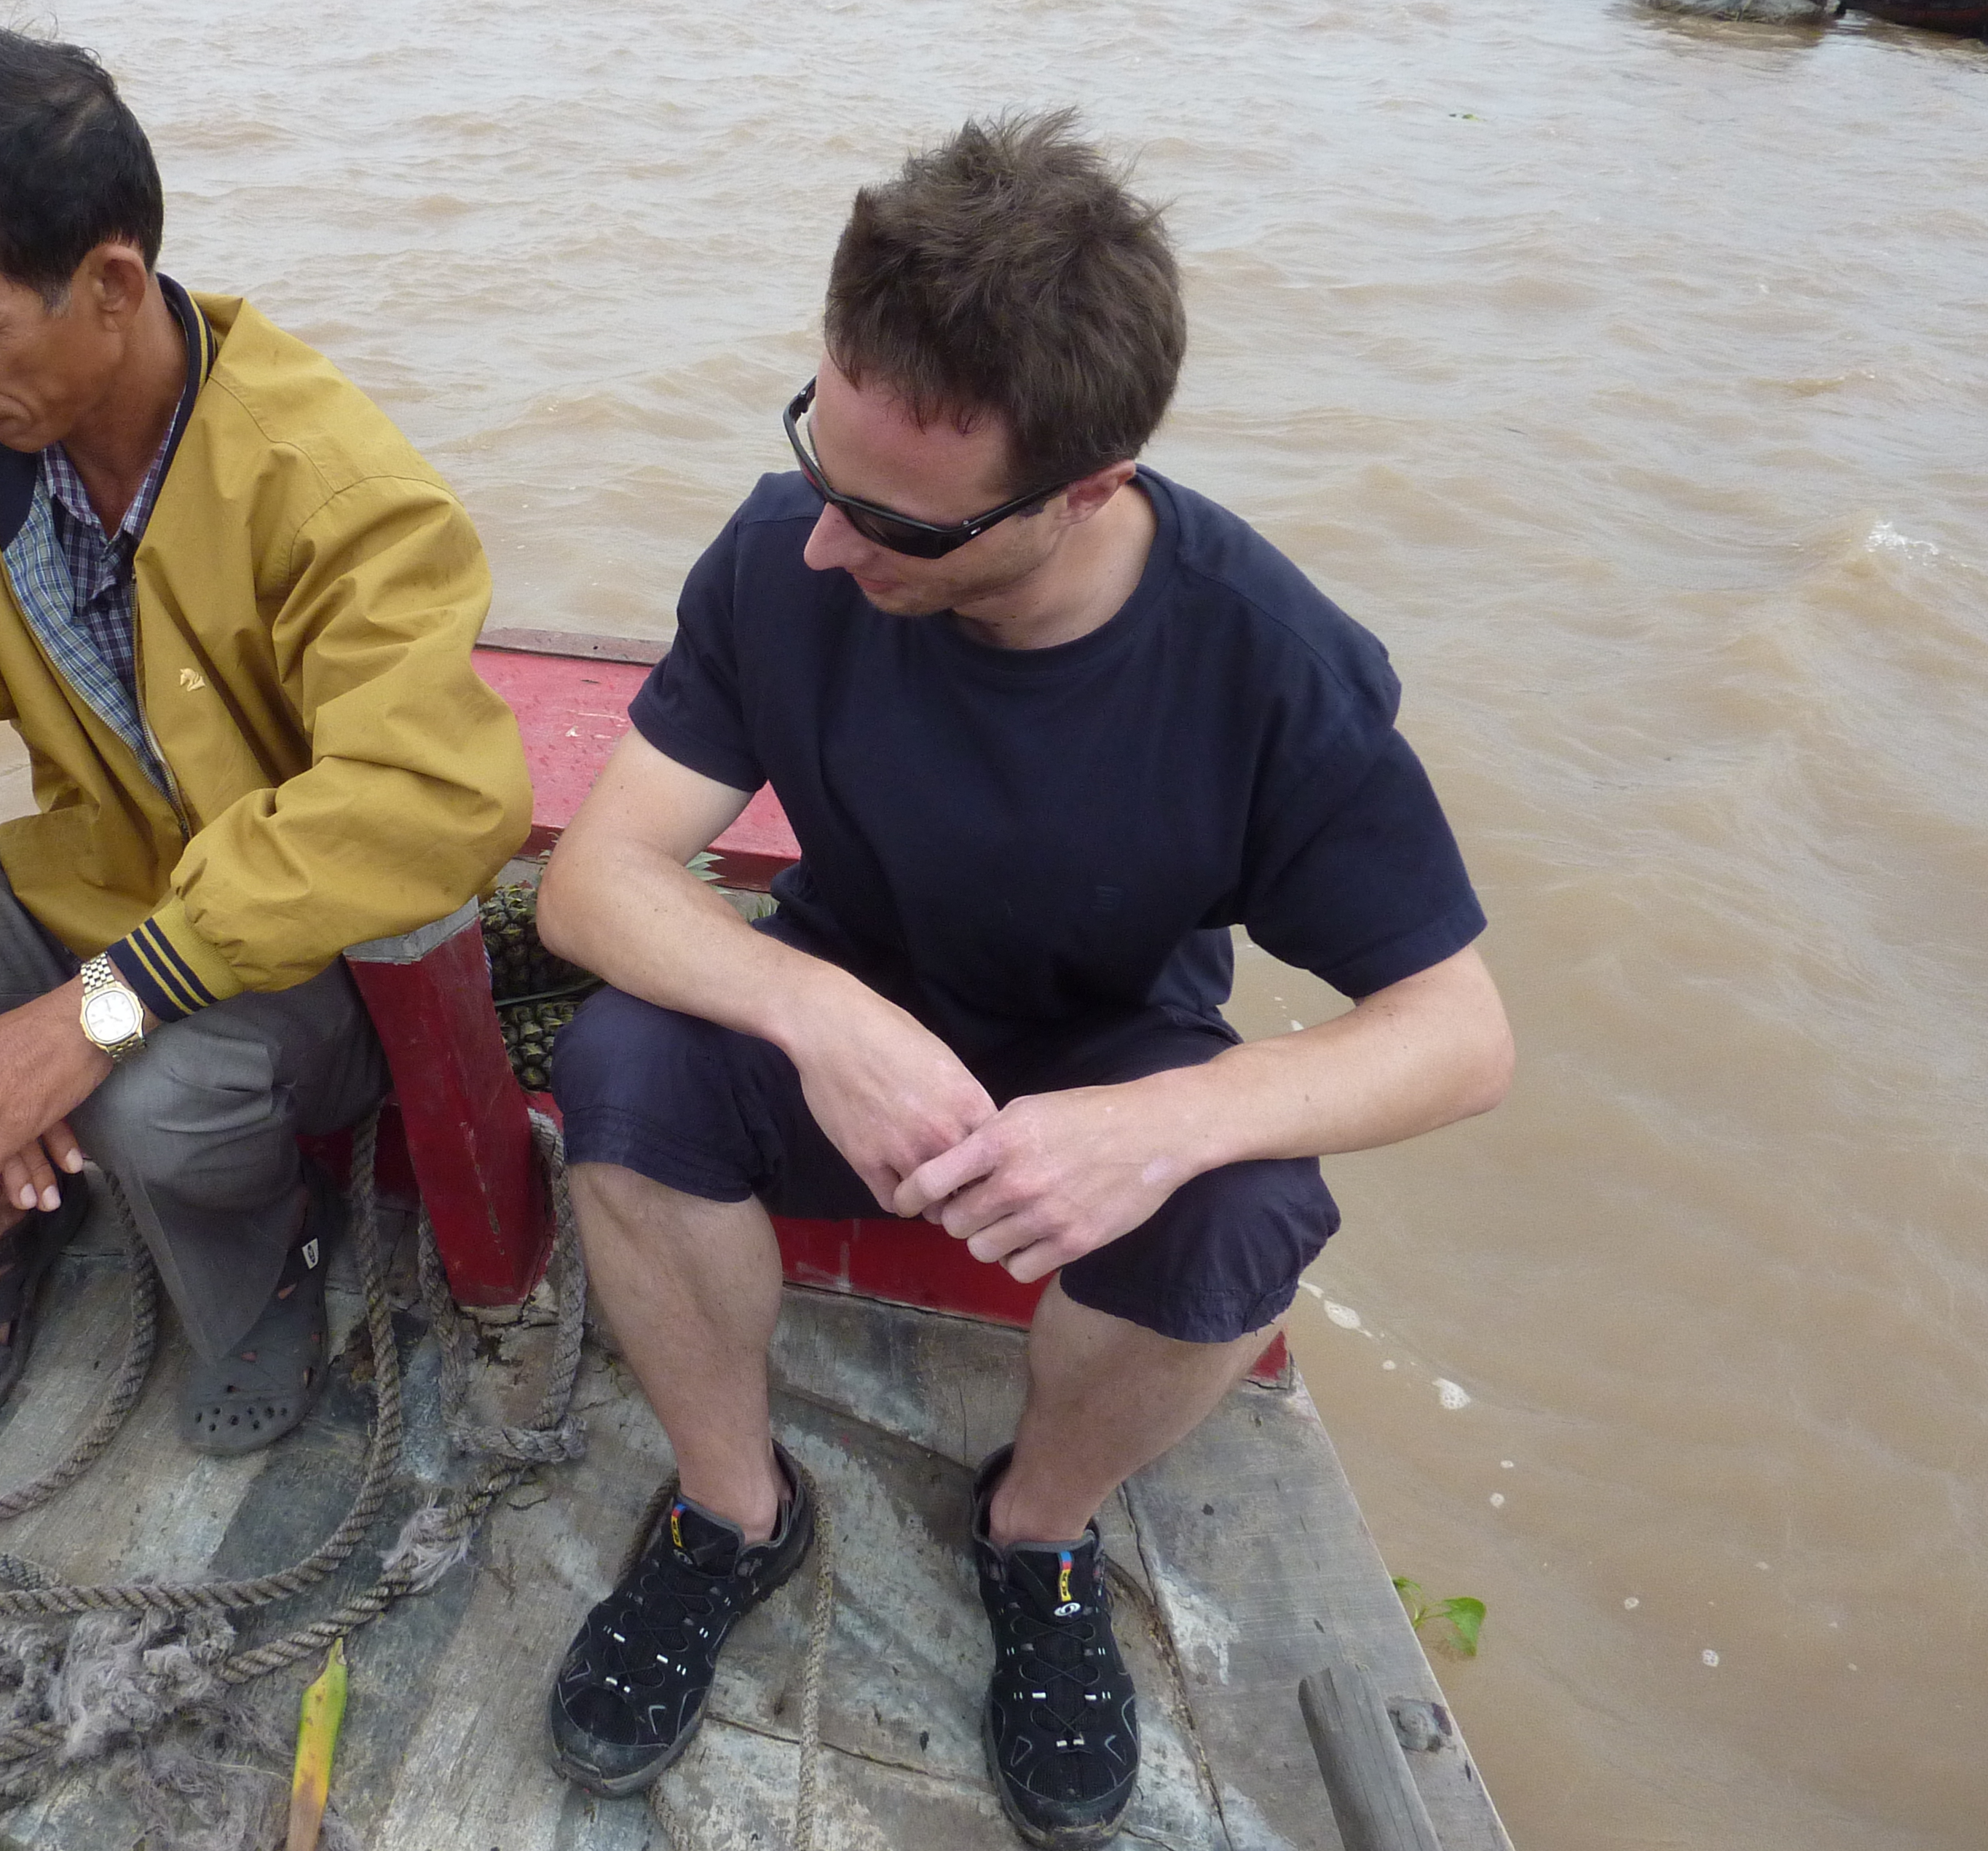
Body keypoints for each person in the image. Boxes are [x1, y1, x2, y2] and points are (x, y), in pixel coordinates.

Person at [535, 113, 1512, 1847]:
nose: (826, 547)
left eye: (890, 526)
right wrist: (814, 1010)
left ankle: (1038, 1533)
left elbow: (1460, 1035)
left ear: (1088, 489)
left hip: (1104, 1046)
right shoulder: (781, 557)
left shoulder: (1267, 669)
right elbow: (596, 881)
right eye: (818, 463)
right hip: (847, 996)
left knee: (1244, 1208)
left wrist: (1170, 1122)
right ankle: (734, 1507)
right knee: (626, 1066)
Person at [0, 24, 529, 1457]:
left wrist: (89, 1016)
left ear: (112, 286)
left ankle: (264, 1275)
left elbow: (429, 793)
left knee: (165, 1105)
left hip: (306, 967)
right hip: (102, 900)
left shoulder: (332, 483)